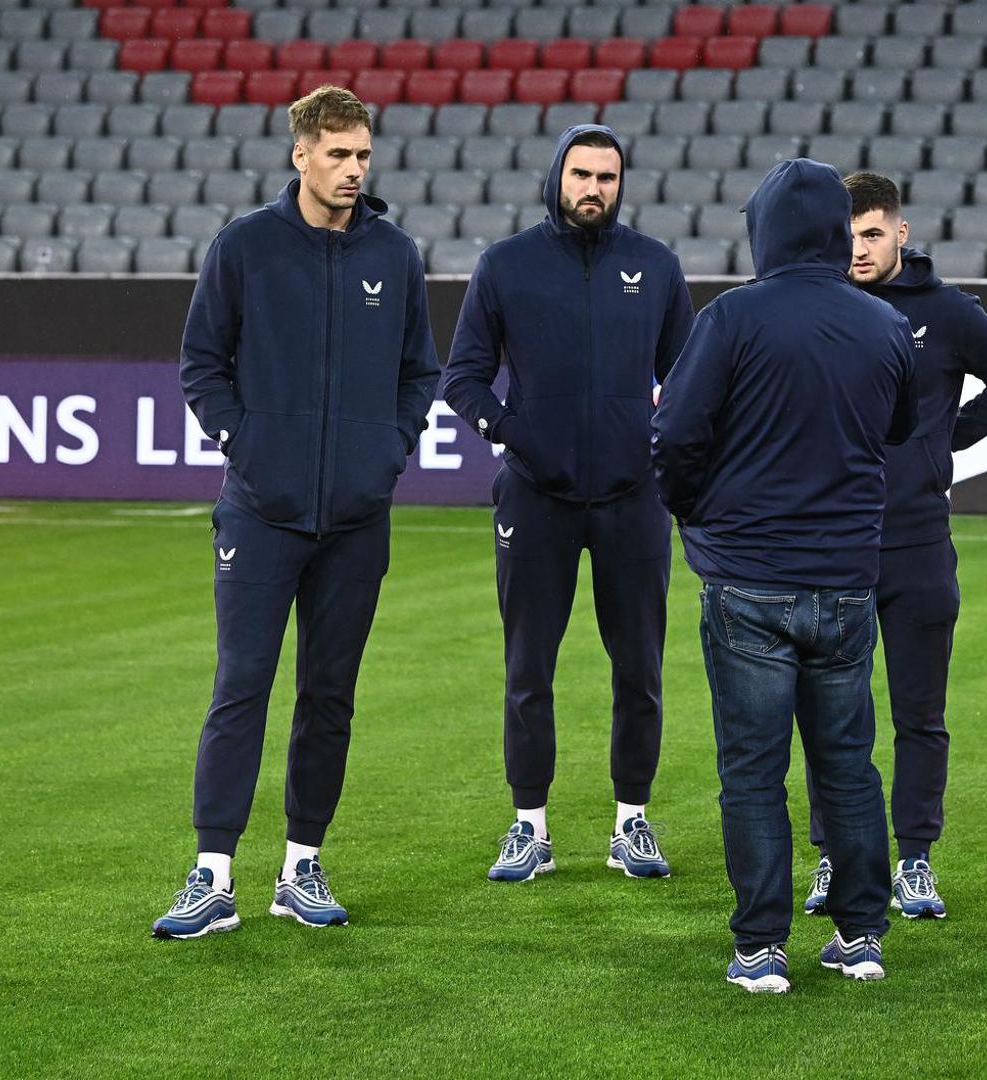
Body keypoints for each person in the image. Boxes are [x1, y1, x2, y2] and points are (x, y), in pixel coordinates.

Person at [154, 85, 439, 938]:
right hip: (260, 513)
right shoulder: (244, 246)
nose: (355, 169)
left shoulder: (395, 255)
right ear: (301, 155)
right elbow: (201, 363)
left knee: (330, 695)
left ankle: (300, 869)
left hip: (356, 517)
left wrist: (386, 452)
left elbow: (418, 373)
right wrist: (249, 448)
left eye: (363, 154)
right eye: (339, 154)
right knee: (240, 687)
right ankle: (211, 877)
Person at [652, 158, 917, 993]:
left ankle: (762, 947)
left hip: (749, 581)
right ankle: (862, 935)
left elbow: (675, 437)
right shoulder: (882, 324)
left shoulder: (731, 317)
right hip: (844, 582)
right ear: (839, 233)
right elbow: (899, 426)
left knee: (753, 772)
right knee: (849, 765)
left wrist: (697, 514)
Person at [442, 125, 695, 883]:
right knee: (529, 669)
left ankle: (632, 823)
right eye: (582, 174)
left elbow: (686, 379)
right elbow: (463, 378)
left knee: (640, 670)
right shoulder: (506, 266)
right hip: (535, 496)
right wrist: (516, 435)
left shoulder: (654, 267)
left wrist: (658, 446)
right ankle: (529, 828)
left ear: (622, 183)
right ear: (557, 176)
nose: (594, 188)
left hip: (632, 500)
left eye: (607, 177)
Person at [800, 172, 987, 921]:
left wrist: (939, 442)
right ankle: (835, 859)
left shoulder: (948, 312)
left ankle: (914, 862)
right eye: (849, 234)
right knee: (833, 711)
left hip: (917, 541)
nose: (859, 248)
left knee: (919, 714)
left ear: (902, 232)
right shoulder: (817, 307)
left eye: (873, 233)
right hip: (834, 540)